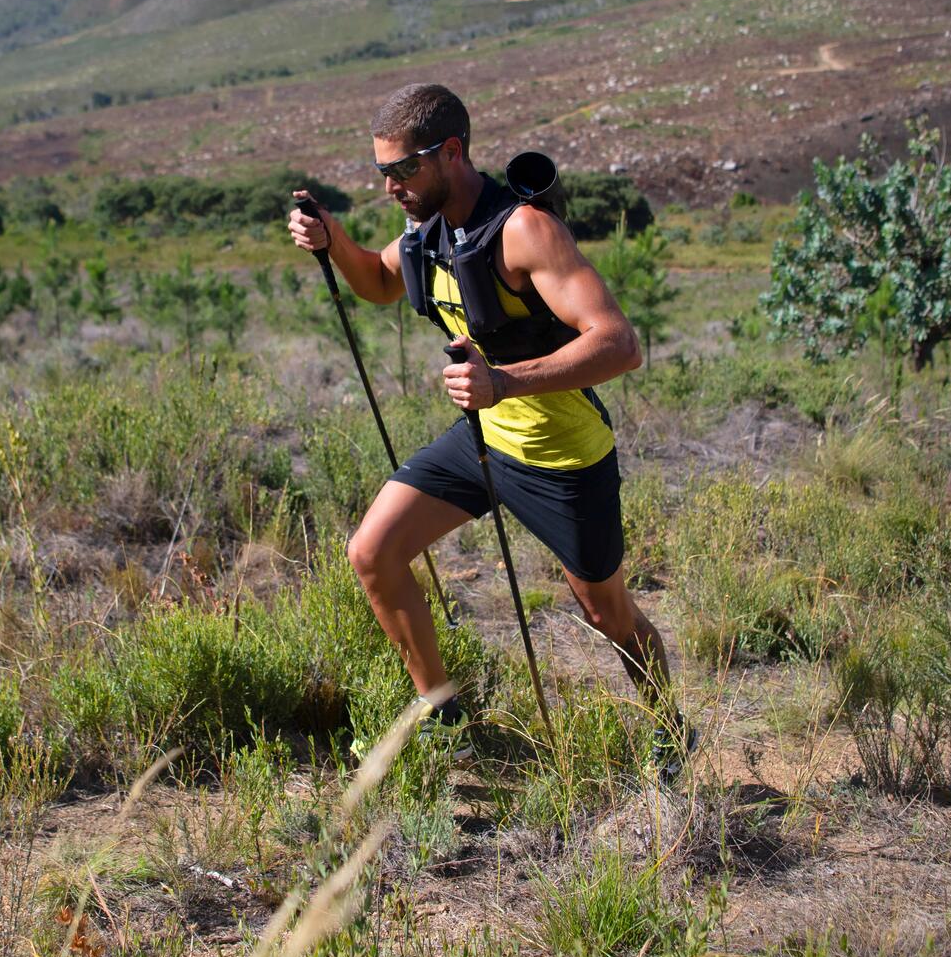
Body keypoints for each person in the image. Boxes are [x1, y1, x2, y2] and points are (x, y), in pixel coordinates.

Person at [288, 82, 693, 778]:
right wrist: (333, 240)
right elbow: (379, 282)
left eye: (404, 169)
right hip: (482, 442)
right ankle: (444, 718)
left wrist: (504, 382)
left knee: (609, 616)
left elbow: (619, 343)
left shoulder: (524, 231)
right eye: (381, 173)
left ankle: (668, 727)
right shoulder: (427, 236)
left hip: (564, 456)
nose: (392, 187)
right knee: (372, 554)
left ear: (452, 152)